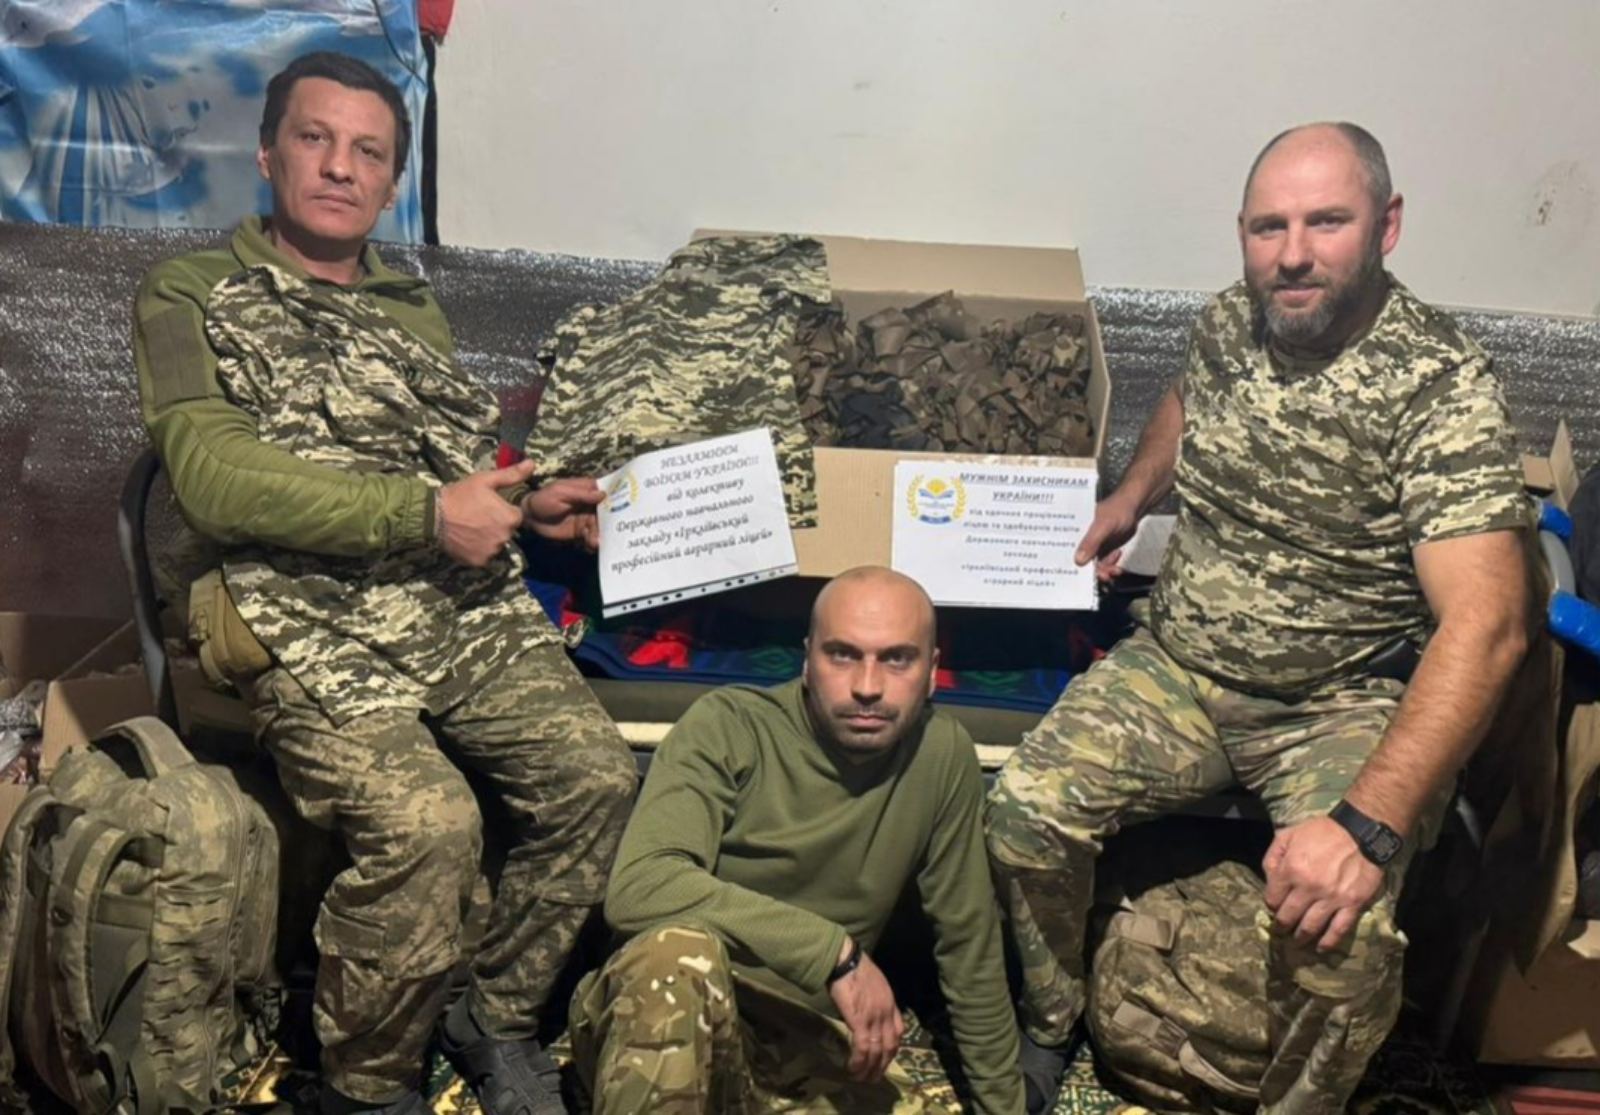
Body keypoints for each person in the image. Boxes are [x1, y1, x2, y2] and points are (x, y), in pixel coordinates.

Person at [985, 122, 1532, 1114]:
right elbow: (1184, 401)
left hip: (1336, 700)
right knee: (1024, 809)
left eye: (1327, 221)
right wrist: (1133, 493)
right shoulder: (1229, 320)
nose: (1292, 253)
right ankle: (1052, 1017)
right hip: (1180, 665)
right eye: (1267, 226)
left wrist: (1364, 824)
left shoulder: (1440, 387)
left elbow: (1488, 625)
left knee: (1348, 934)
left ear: (1386, 225)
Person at [130, 51, 637, 1115]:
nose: (339, 167)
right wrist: (424, 514)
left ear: (392, 181)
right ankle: (366, 1083)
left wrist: (527, 504)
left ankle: (491, 1011)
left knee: (594, 775)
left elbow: (442, 462)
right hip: (290, 604)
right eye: (315, 139)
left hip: (441, 597)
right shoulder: (193, 294)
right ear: (267, 154)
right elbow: (214, 478)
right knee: (428, 822)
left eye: (368, 152)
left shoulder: (408, 307)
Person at [570, 567, 1024, 1114]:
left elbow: (969, 945)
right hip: (662, 1018)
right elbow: (642, 886)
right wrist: (834, 954)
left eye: (897, 659)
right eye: (843, 655)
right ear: (807, 660)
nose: (867, 686)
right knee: (677, 954)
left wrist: (1004, 1108)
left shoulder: (941, 753)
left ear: (932, 671)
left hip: (801, 1046)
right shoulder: (730, 726)